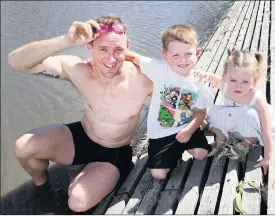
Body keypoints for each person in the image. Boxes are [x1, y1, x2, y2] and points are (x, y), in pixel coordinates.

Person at [8, 14, 153, 213]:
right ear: (89, 48)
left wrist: (205, 124)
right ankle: (42, 187)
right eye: (102, 49)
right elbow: (17, 62)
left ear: (127, 46)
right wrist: (65, 41)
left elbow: (179, 101)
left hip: (114, 151)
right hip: (83, 136)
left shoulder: (143, 78)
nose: (111, 59)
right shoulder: (78, 69)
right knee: (24, 147)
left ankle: (99, 174)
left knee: (76, 202)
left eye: (118, 49)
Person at [125, 24, 215, 180]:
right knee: (158, 174)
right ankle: (174, 154)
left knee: (202, 154)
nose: (183, 60)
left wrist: (189, 130)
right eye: (176, 56)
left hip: (187, 127)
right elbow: (133, 57)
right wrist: (113, 50)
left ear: (197, 53)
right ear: (165, 56)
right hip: (161, 134)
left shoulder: (199, 83)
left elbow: (200, 112)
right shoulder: (159, 68)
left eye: (188, 54)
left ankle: (193, 138)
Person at [195, 49, 275, 174]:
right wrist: (203, 74)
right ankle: (222, 137)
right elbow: (215, 80)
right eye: (233, 80)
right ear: (225, 75)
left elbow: (266, 130)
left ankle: (248, 142)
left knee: (250, 115)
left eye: (245, 81)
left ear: (254, 81)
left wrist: (267, 158)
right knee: (213, 112)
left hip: (256, 128)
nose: (238, 86)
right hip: (238, 120)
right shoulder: (226, 85)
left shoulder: (257, 99)